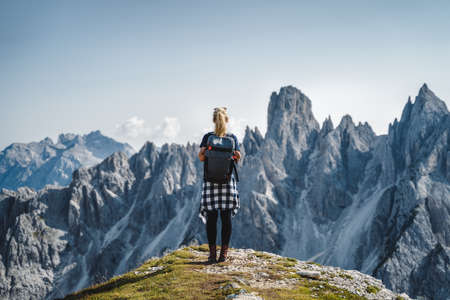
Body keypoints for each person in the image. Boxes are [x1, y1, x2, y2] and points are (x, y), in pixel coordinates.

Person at [198, 107, 241, 264]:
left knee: (211, 218)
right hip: (227, 182)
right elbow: (237, 157)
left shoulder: (207, 137)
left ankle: (211, 254)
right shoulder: (232, 138)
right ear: (227, 120)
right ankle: (223, 254)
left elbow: (201, 157)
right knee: (226, 218)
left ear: (214, 120)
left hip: (210, 182)